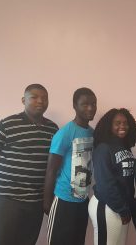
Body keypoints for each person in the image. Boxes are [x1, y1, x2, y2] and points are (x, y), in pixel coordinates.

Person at [0, 84, 59, 245]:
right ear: (23, 100)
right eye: (34, 97)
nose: (40, 101)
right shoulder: (7, 124)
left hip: (35, 202)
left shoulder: (53, 129)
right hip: (6, 200)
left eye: (44, 98)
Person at [43, 87, 97, 245]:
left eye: (93, 104)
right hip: (63, 200)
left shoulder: (93, 133)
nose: (90, 108)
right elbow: (51, 170)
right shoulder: (65, 133)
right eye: (85, 104)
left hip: (82, 200)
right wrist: (47, 203)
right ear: (75, 105)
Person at [88, 108, 136, 245]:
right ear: (109, 125)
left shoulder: (125, 147)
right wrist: (122, 209)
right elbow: (105, 184)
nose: (122, 126)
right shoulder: (103, 148)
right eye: (117, 123)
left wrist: (126, 208)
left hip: (122, 207)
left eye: (125, 123)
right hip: (107, 206)